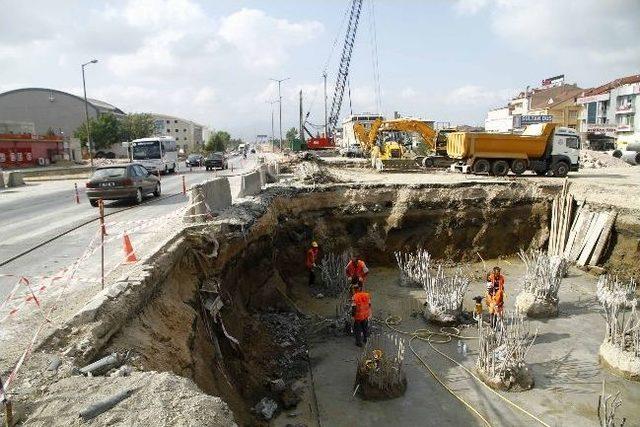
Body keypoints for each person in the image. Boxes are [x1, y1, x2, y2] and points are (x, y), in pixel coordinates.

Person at [351, 279, 371, 347]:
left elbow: (354, 308)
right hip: (365, 316)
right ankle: (366, 339)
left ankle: (359, 343)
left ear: (354, 289)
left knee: (357, 330)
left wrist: (352, 317)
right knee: (365, 328)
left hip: (358, 317)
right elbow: (369, 305)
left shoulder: (355, 297)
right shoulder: (367, 295)